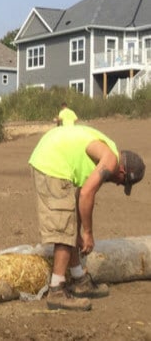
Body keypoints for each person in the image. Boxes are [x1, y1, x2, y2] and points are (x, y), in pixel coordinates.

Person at [28, 125, 145, 311]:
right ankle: (56, 290)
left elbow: (81, 196)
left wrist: (79, 231)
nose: (116, 184)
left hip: (51, 155)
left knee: (70, 225)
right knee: (64, 229)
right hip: (52, 164)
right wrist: (88, 233)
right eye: (121, 182)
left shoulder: (108, 151)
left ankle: (79, 279)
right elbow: (86, 194)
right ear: (122, 171)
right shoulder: (110, 160)